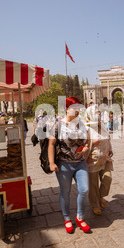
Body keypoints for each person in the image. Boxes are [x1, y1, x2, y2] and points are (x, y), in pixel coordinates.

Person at [48, 97, 90, 234]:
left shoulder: (81, 124)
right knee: (65, 192)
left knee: (84, 190)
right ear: (67, 108)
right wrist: (52, 162)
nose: (77, 111)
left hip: (80, 163)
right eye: (75, 108)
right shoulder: (57, 125)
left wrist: (85, 148)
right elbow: (51, 144)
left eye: (79, 109)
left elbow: (86, 142)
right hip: (64, 165)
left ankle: (80, 217)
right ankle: (67, 218)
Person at [85, 105, 113, 215]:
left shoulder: (103, 125)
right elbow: (84, 145)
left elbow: (108, 139)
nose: (99, 114)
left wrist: (110, 149)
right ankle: (95, 205)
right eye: (96, 112)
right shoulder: (87, 129)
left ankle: (101, 196)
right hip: (92, 161)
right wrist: (92, 143)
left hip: (105, 158)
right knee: (93, 185)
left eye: (99, 112)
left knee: (107, 179)